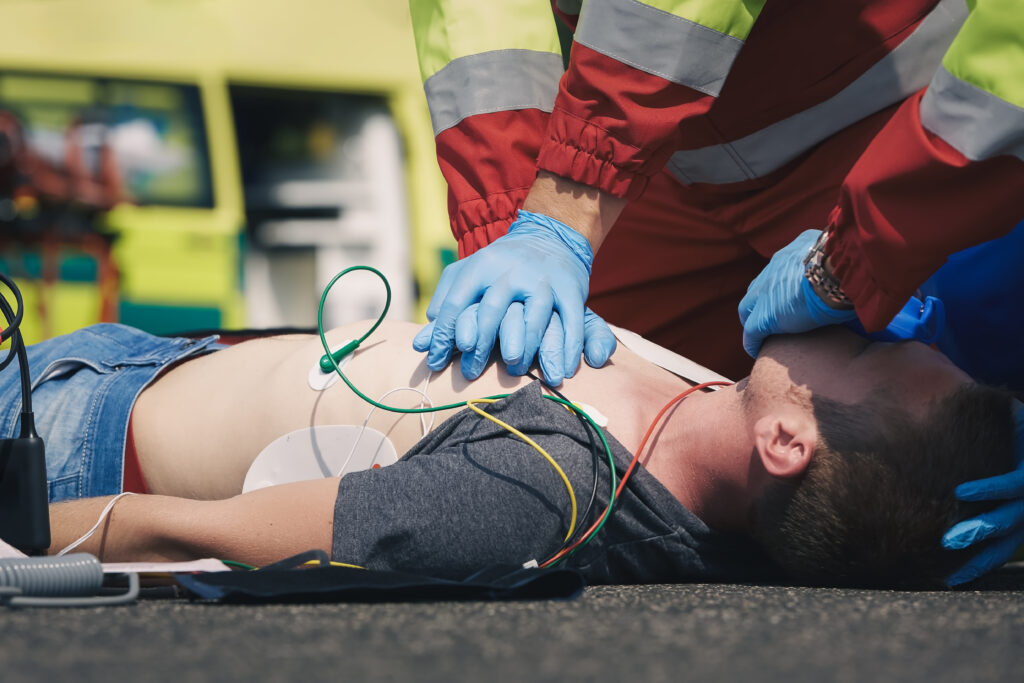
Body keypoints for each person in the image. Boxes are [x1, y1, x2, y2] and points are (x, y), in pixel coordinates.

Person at [4, 321, 1014, 588]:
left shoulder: (542, 489)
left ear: (787, 442)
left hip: (67, 438)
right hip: (116, 363)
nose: (866, 316)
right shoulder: (719, 396)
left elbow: (176, 535)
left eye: (874, 349)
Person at [408, 0, 1024, 385]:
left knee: (923, 444)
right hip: (669, 162)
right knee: (562, 396)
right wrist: (513, 225)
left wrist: (862, 252)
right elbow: (477, 22)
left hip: (907, 133)